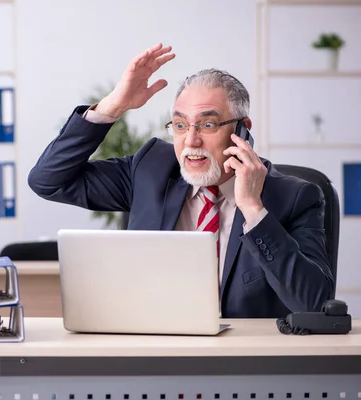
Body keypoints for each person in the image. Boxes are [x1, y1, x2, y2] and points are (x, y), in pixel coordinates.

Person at [27, 42, 334, 318]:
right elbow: (48, 180)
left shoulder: (295, 197)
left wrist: (253, 210)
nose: (191, 140)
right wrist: (113, 106)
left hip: (244, 365)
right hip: (157, 352)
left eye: (208, 124)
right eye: (179, 124)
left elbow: (315, 304)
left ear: (242, 130)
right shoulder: (151, 169)